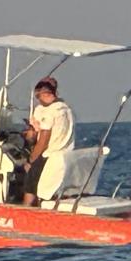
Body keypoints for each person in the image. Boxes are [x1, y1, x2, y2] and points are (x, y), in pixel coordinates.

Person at [23, 77, 75, 206]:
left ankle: (26, 210)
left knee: (30, 183)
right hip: (65, 155)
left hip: (49, 155)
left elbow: (44, 140)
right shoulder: (65, 108)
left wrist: (31, 160)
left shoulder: (51, 111)